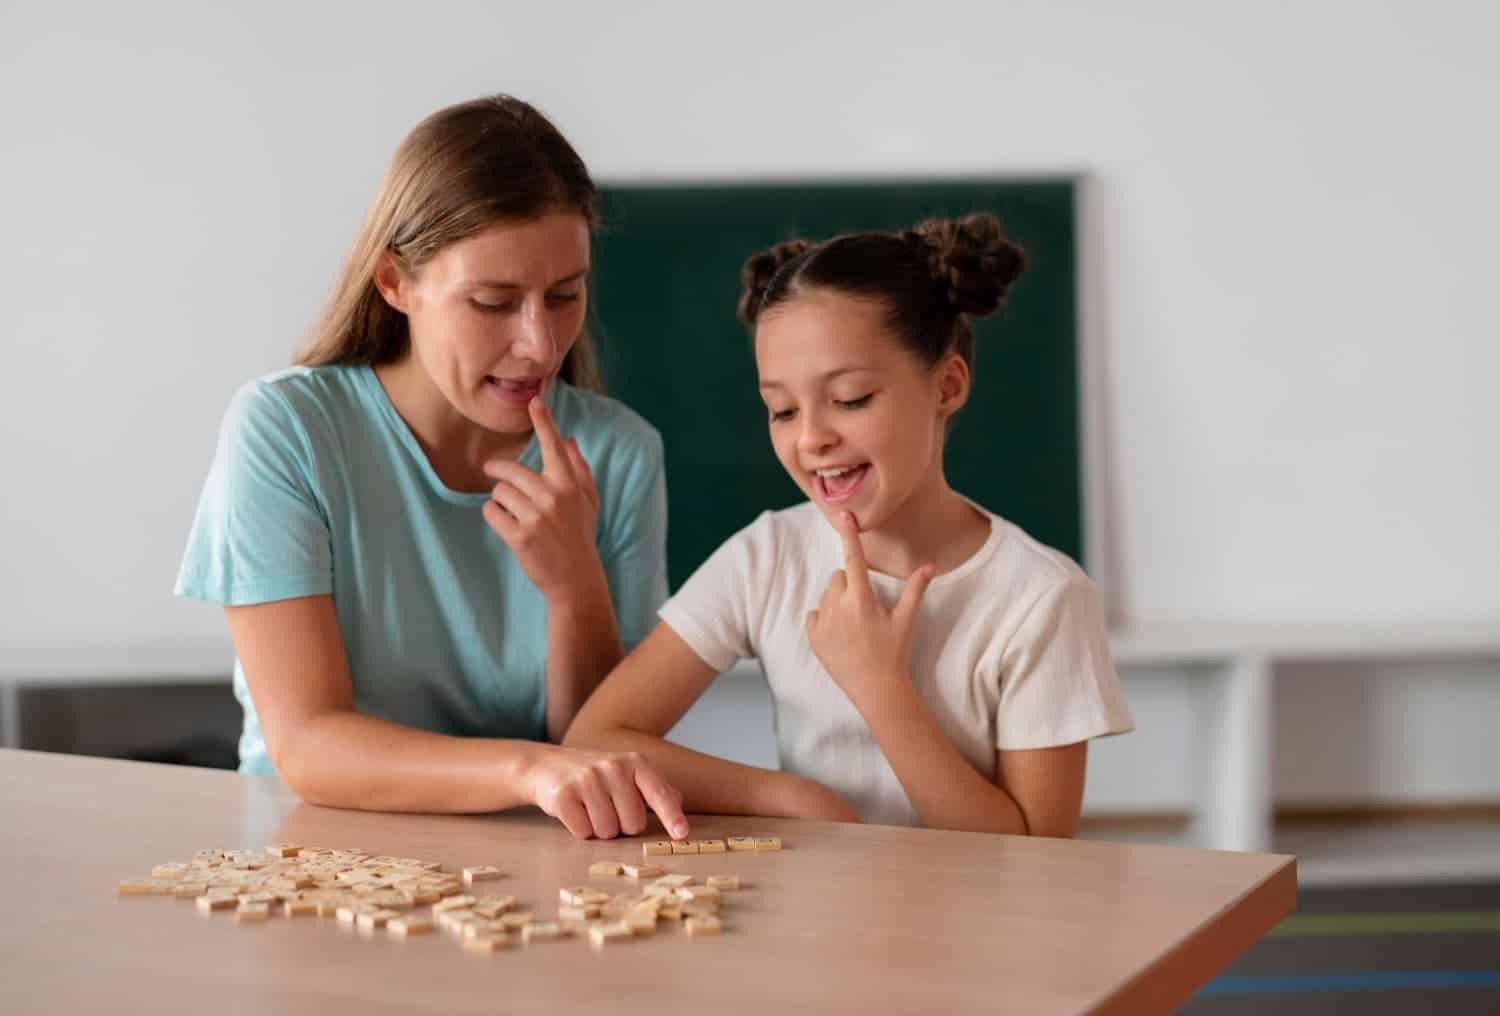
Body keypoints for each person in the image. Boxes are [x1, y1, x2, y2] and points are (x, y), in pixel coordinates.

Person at [175, 95, 688, 841]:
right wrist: (528, 770)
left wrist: (576, 587)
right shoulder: (287, 431)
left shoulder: (620, 452)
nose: (539, 345)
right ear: (395, 283)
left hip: (543, 868)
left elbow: (600, 745)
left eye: (565, 295)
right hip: (317, 855)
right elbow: (308, 744)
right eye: (493, 302)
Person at [566, 213, 1134, 835]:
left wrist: (879, 687)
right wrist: (788, 797)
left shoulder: (1041, 599)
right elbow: (595, 738)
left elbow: (1036, 853)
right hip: (821, 919)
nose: (811, 438)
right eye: (781, 410)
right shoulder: (768, 557)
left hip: (976, 927)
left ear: (947, 385)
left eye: (851, 399)